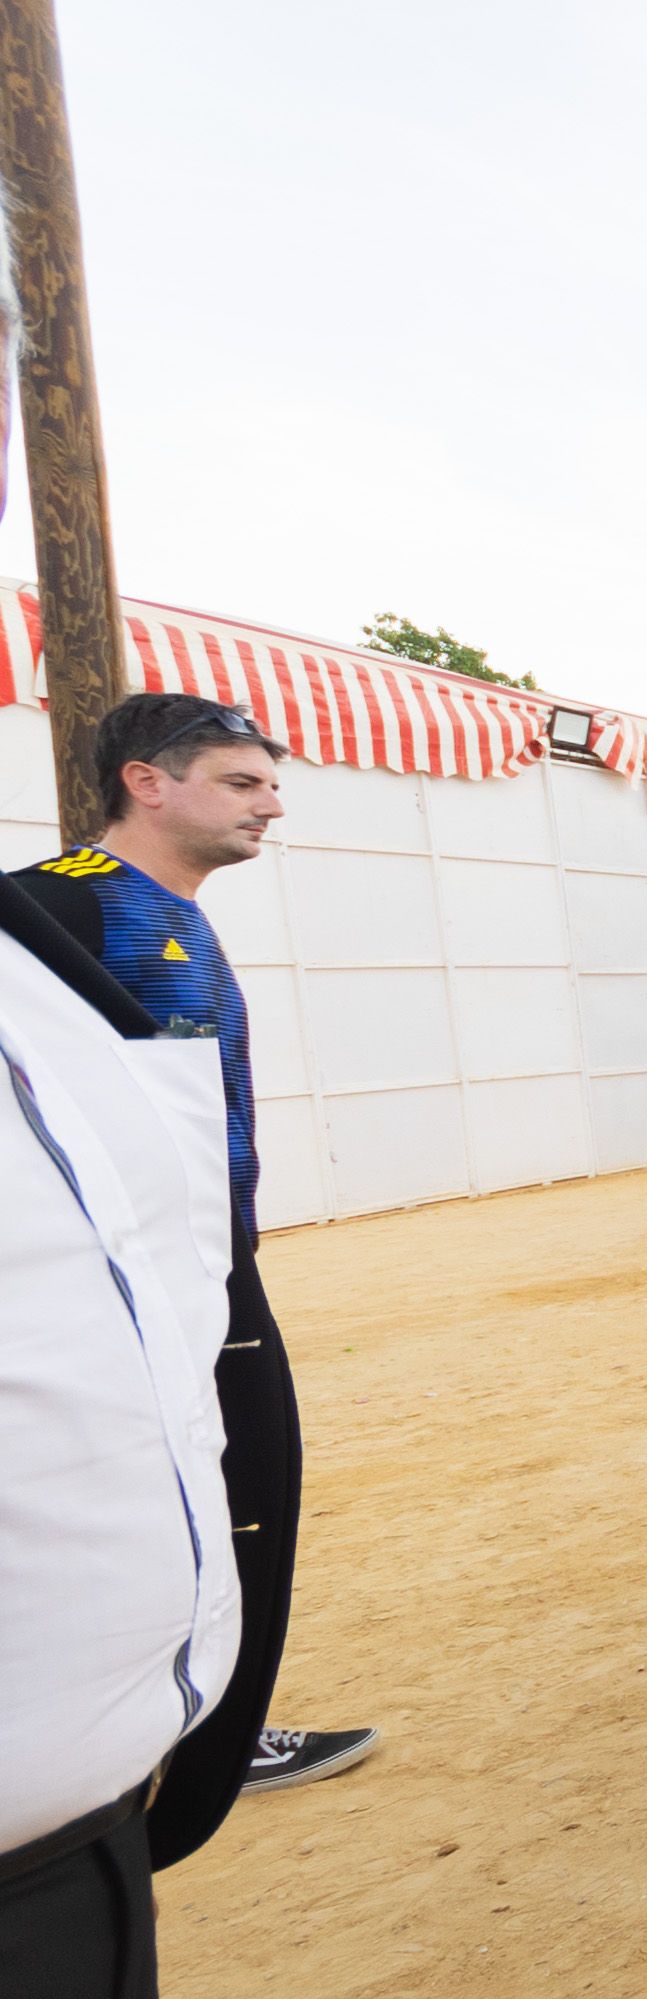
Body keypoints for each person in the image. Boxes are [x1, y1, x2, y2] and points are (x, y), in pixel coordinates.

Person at [17, 695, 377, 1839]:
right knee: (195, 1496)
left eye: (270, 783)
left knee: (238, 1492)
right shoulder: (61, 902)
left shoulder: (168, 910)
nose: (272, 805)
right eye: (241, 782)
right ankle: (165, 1750)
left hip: (209, 1264)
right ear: (146, 781)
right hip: (125, 1287)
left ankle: (201, 1725)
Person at [1, 869, 241, 1999]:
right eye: (240, 775)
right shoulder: (89, 914)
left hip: (88, 1846)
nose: (272, 799)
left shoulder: (42, 951)